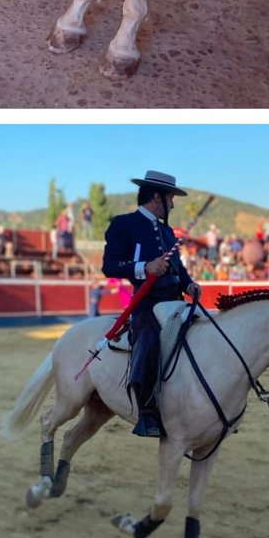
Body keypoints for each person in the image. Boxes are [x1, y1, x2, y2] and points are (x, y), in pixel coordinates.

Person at [102, 170, 199, 438]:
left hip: (175, 300)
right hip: (147, 302)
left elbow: (178, 268)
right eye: (170, 198)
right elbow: (109, 266)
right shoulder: (123, 224)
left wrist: (188, 284)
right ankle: (146, 412)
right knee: (148, 338)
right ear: (157, 197)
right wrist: (145, 267)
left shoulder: (167, 231)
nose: (173, 204)